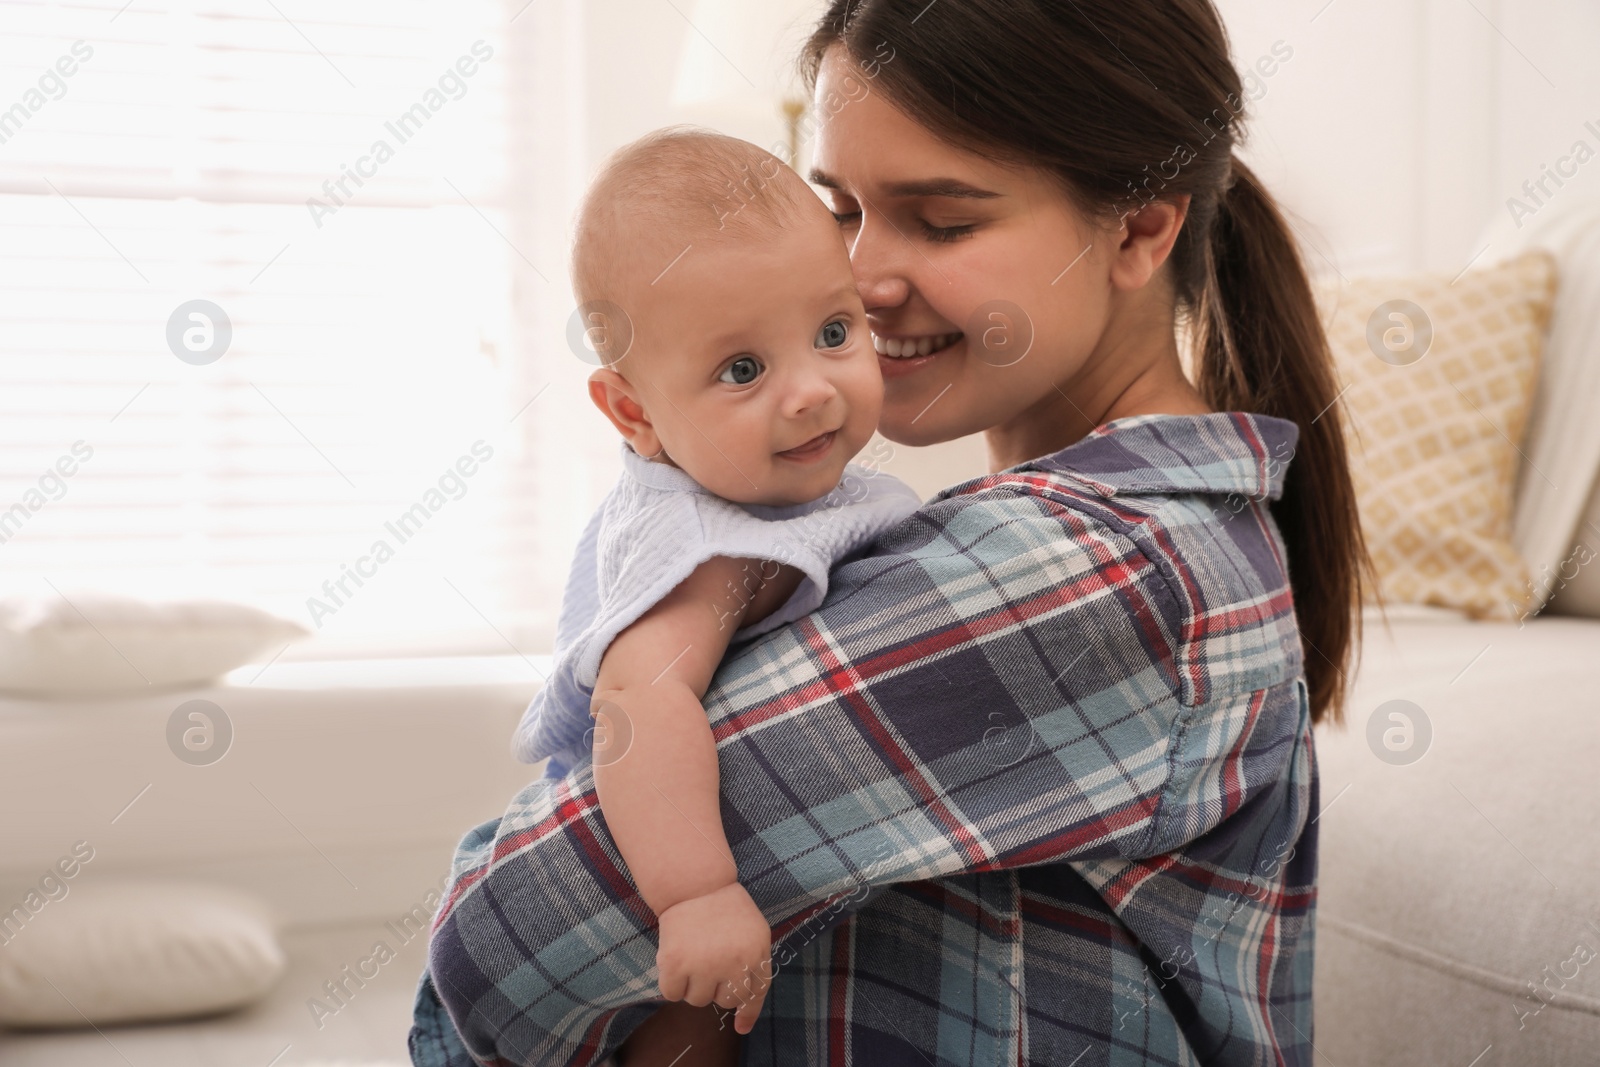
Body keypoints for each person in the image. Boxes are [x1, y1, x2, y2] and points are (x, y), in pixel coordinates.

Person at [409, 0, 1369, 1063]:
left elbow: (501, 940)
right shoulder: (1023, 531)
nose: (862, 276)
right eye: (843, 209)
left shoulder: (1088, 571)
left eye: (943, 220)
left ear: (1141, 228)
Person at [511, 125, 922, 1043]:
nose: (811, 390)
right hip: (644, 881)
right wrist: (696, 895)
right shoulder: (704, 539)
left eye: (832, 330)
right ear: (634, 412)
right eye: (743, 369)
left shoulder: (778, 487)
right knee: (696, 1030)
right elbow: (639, 703)